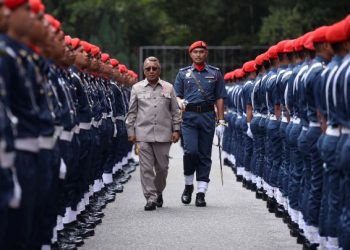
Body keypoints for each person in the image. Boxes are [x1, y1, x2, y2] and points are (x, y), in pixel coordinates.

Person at [174, 41, 227, 207]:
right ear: (190, 54)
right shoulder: (183, 74)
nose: (198, 54)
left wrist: (221, 121)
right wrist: (179, 101)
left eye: (201, 52)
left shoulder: (215, 73)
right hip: (189, 116)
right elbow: (176, 95)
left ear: (206, 54)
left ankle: (201, 192)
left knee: (205, 154)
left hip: (207, 116)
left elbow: (219, 98)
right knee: (191, 152)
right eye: (195, 52)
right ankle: (188, 184)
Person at [126, 56, 181, 211]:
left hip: (164, 134)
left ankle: (158, 191)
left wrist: (176, 130)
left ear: (159, 70)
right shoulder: (136, 88)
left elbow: (175, 111)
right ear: (143, 70)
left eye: (154, 68)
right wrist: (130, 131)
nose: (151, 71)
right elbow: (132, 112)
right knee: (146, 168)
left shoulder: (168, 88)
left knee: (163, 168)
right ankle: (150, 198)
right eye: (148, 69)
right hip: (143, 134)